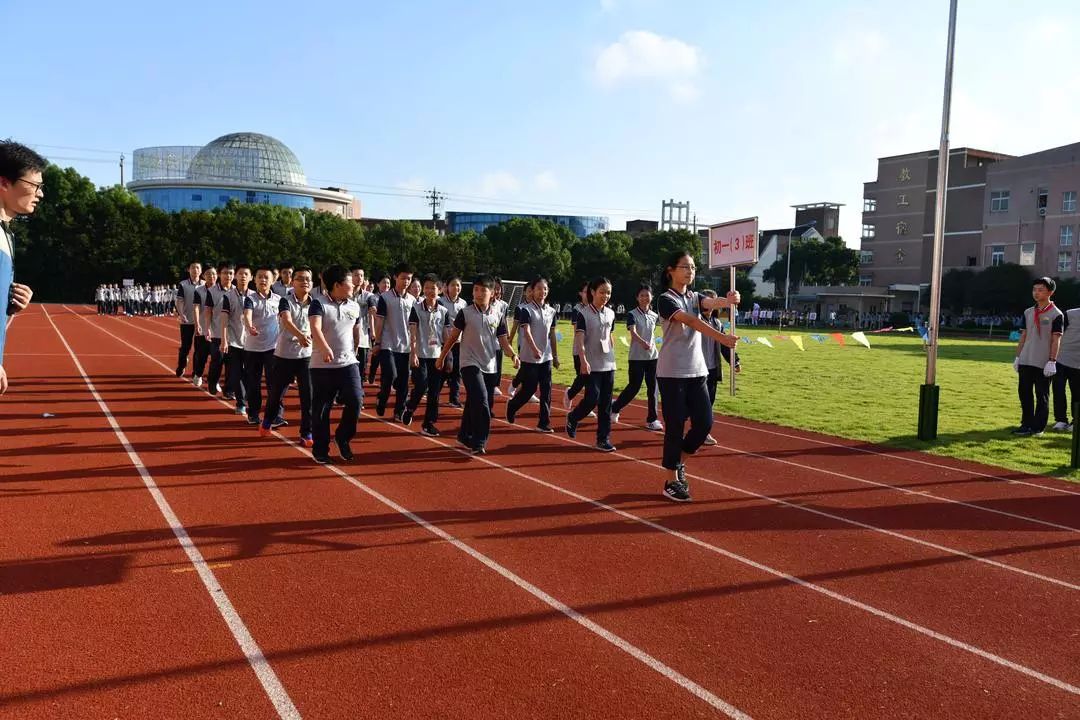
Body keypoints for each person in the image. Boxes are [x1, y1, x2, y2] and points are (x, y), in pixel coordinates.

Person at [655, 251, 740, 502]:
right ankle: (671, 480)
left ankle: (678, 462)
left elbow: (710, 304)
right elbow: (690, 321)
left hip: (697, 371)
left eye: (693, 267)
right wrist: (721, 338)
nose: (690, 271)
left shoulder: (695, 296)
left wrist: (730, 300)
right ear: (671, 270)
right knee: (675, 427)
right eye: (685, 267)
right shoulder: (665, 299)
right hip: (672, 372)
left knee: (704, 423)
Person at [436, 274, 520, 455]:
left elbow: (503, 341)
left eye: (484, 290)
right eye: (476, 289)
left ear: (492, 293)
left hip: (490, 365)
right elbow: (452, 337)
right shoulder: (465, 313)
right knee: (481, 401)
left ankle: (464, 434)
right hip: (469, 363)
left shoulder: (498, 314)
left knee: (477, 401)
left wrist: (513, 355)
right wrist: (442, 356)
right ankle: (479, 441)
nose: (479, 293)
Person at [0, 141, 44, 394]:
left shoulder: (7, 235)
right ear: (4, 183)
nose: (40, 194)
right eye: (34, 186)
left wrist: (10, 305)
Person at [308, 265, 363, 464]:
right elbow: (315, 327)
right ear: (338, 285)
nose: (354, 284)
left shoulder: (354, 306)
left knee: (356, 400)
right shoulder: (318, 304)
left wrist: (356, 348)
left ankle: (343, 437)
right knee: (322, 409)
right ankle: (320, 449)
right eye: (350, 281)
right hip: (322, 365)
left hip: (348, 363)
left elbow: (356, 329)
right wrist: (323, 347)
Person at [261, 266, 314, 446]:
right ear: (293, 282)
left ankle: (306, 432)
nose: (304, 282)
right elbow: (286, 320)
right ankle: (268, 419)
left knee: (308, 396)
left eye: (307, 279)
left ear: (312, 283)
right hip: (284, 355)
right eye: (300, 278)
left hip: (306, 356)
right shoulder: (285, 301)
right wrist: (300, 335)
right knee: (276, 394)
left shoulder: (315, 304)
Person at [565, 277, 618, 452]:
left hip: (608, 364)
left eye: (608, 292)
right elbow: (579, 340)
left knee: (605, 404)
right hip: (591, 364)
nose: (605, 296)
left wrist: (613, 353)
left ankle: (603, 439)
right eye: (602, 292)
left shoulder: (611, 313)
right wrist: (583, 360)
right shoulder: (583, 314)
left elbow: (610, 335)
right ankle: (574, 417)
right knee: (591, 398)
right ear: (593, 292)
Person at [505, 276, 559, 432]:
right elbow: (526, 331)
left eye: (545, 289)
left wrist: (554, 355)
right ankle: (513, 405)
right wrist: (535, 349)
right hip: (530, 356)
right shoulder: (526, 310)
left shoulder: (552, 311)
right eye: (539, 288)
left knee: (547, 390)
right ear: (533, 291)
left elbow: (553, 335)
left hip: (546, 357)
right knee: (529, 389)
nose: (542, 291)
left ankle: (544, 422)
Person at [1013, 276, 1063, 437]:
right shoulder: (1028, 312)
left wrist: (1052, 361)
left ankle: (1038, 427)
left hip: (1043, 362)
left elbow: (1056, 339)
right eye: (1034, 289)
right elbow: (1023, 336)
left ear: (1050, 292)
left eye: (1041, 290)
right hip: (1026, 359)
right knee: (1024, 393)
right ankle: (1026, 424)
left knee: (1042, 395)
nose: (1036, 293)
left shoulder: (1056, 314)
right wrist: (1018, 357)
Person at [611, 284, 662, 431]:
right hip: (637, 357)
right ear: (637, 298)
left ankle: (652, 419)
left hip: (653, 357)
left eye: (647, 295)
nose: (645, 298)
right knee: (634, 387)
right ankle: (615, 407)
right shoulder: (632, 314)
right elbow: (632, 332)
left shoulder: (654, 315)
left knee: (653, 388)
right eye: (642, 295)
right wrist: (642, 342)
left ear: (652, 297)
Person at [402, 274, 449, 436]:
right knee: (421, 385)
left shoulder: (443, 311)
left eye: (433, 288)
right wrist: (413, 354)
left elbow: (446, 335)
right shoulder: (416, 308)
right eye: (427, 287)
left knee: (435, 391)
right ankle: (410, 407)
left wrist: (445, 356)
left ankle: (428, 423)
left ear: (440, 290)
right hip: (420, 354)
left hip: (436, 356)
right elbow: (413, 334)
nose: (430, 291)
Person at [242, 267, 284, 426]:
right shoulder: (250, 299)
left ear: (273, 280)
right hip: (252, 348)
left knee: (275, 384)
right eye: (260, 277)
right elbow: (247, 314)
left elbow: (285, 319)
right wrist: (250, 326)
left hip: (273, 348)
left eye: (266, 277)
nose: (263, 280)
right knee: (254, 383)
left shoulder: (279, 300)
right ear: (255, 280)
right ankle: (253, 413)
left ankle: (276, 415)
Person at [373, 263, 416, 421]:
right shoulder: (385, 298)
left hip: (405, 347)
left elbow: (414, 326)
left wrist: (414, 347)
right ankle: (382, 397)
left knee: (404, 382)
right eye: (403, 278)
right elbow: (380, 321)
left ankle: (399, 410)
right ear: (395, 277)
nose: (406, 281)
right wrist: (377, 342)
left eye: (409, 279)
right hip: (388, 344)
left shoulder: (413, 300)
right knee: (390, 375)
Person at [699, 289, 741, 446]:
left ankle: (703, 432)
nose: (711, 304)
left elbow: (725, 345)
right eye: (708, 300)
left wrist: (734, 361)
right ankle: (689, 429)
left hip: (712, 369)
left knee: (709, 402)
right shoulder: (695, 320)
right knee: (697, 404)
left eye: (714, 301)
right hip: (696, 369)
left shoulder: (717, 323)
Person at [220, 265, 253, 415]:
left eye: (246, 274)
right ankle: (240, 403)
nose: (243, 276)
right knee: (236, 372)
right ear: (235, 277)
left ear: (251, 277)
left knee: (250, 374)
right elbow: (225, 319)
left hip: (252, 342)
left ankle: (247, 399)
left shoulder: (255, 296)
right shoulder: (228, 296)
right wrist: (224, 339)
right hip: (234, 340)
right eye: (240, 274)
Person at [204, 263, 234, 395]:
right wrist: (207, 328)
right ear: (220, 274)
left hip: (234, 334)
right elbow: (208, 311)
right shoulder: (212, 291)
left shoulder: (236, 290)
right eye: (225, 273)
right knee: (217, 360)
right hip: (217, 332)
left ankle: (228, 390)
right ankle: (212, 381)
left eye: (231, 273)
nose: (228, 276)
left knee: (231, 364)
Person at [438, 275, 467, 409]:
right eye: (453, 285)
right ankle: (434, 393)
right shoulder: (440, 301)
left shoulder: (463, 303)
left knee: (457, 371)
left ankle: (454, 398)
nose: (456, 287)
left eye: (458, 285)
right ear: (447, 287)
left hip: (459, 341)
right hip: (445, 342)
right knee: (444, 369)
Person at [1051, 305, 1080, 432]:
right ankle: (1061, 420)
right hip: (1061, 359)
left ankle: (1076, 421)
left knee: (1078, 393)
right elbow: (1056, 334)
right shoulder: (1069, 314)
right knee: (1058, 390)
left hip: (1078, 362)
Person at [563, 281, 590, 410]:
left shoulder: (595, 308)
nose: (588, 294)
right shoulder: (577, 310)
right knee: (583, 377)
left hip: (594, 350)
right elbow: (577, 331)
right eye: (585, 291)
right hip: (579, 350)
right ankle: (570, 393)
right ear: (580, 293)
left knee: (591, 379)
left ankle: (586, 405)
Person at [350, 266, 377, 397]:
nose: (359, 278)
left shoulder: (368, 296)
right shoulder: (345, 294)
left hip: (362, 338)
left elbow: (373, 308)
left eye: (361, 275)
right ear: (350, 276)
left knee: (360, 369)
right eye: (356, 275)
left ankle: (358, 394)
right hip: (345, 337)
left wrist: (373, 311)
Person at [175, 261, 203, 379]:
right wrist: (181, 314)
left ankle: (196, 372)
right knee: (185, 347)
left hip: (201, 322)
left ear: (201, 271)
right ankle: (181, 365)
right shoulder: (183, 284)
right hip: (187, 320)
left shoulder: (205, 285)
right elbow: (180, 301)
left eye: (197, 268)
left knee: (199, 349)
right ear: (189, 270)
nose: (195, 270)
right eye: (192, 268)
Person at [190, 266, 217, 388]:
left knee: (218, 357)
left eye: (214, 274)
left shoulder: (222, 290)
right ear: (203, 276)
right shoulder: (199, 290)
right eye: (209, 274)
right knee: (202, 355)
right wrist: (197, 324)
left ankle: (213, 380)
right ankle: (198, 374)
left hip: (218, 328)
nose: (212, 276)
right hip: (203, 327)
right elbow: (195, 307)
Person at [367, 274, 392, 384]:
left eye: (388, 283)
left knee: (386, 358)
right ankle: (372, 372)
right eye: (383, 282)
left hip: (390, 332)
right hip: (378, 330)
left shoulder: (392, 298)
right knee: (377, 355)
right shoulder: (373, 298)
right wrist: (373, 331)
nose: (386, 285)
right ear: (378, 284)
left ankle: (384, 381)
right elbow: (373, 315)